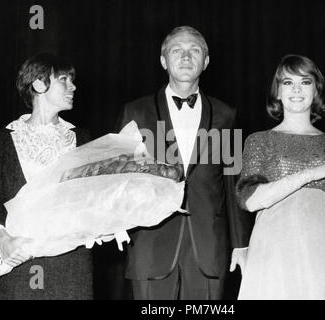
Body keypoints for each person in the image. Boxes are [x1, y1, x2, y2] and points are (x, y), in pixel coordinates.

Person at [114, 26, 250, 299]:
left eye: (195, 51)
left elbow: (233, 179)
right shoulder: (135, 111)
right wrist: (117, 222)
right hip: (150, 243)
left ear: (206, 61)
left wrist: (241, 244)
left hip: (209, 248)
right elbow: (118, 175)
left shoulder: (226, 114)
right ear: (164, 61)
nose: (186, 57)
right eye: (177, 50)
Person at [235, 54, 325, 300]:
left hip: (319, 252)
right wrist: (316, 172)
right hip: (272, 252)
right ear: (278, 92)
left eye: (305, 82)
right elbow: (250, 201)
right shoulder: (259, 141)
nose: (296, 89)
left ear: (316, 91)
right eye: (287, 82)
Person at [0, 53, 93, 299]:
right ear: (38, 84)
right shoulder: (3, 140)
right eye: (64, 79)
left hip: (72, 268)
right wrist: (4, 240)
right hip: (19, 264)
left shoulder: (83, 138)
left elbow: (92, 197)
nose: (73, 86)